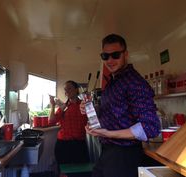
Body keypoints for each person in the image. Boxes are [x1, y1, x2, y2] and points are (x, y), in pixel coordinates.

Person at [80, 34, 160, 177]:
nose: (110, 60)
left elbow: (150, 127)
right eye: (105, 56)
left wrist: (107, 133)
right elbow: (112, 111)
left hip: (124, 156)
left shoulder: (134, 82)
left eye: (115, 55)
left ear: (126, 54)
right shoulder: (113, 81)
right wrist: (91, 110)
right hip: (108, 151)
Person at [49, 80, 89, 175]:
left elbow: (94, 118)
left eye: (69, 88)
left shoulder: (84, 105)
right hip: (63, 145)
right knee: (64, 173)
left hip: (80, 145)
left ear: (76, 89)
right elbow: (51, 121)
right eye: (65, 90)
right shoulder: (64, 107)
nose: (67, 91)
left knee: (81, 172)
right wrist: (52, 105)